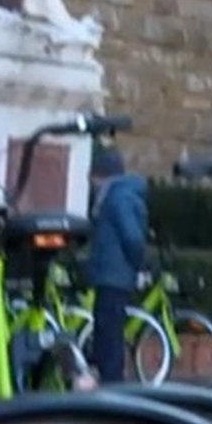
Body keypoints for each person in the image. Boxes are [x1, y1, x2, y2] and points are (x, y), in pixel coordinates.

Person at [86, 146, 147, 384]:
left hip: (114, 276)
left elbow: (132, 236)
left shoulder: (116, 198)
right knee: (107, 330)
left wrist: (136, 263)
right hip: (112, 275)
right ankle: (107, 379)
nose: (90, 181)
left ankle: (112, 385)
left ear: (101, 175)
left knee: (109, 333)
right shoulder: (120, 196)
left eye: (92, 175)